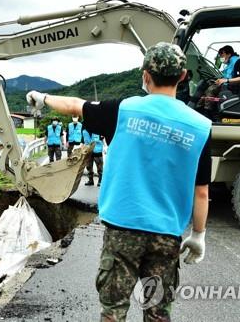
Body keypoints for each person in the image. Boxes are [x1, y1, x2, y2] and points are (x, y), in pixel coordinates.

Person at [27, 42, 211, 322]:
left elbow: (75, 105)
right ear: (183, 76)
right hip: (166, 233)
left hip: (122, 229)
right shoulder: (200, 126)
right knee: (158, 312)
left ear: (145, 75)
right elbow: (201, 192)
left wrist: (43, 97)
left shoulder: (123, 110)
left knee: (113, 311)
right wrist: (198, 234)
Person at [188, 45, 240, 118]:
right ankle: (198, 110)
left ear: (229, 54)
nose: (221, 58)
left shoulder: (239, 62)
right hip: (227, 84)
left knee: (210, 90)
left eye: (222, 55)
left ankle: (208, 113)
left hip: (235, 87)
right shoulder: (229, 64)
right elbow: (227, 76)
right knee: (204, 85)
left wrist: (226, 80)